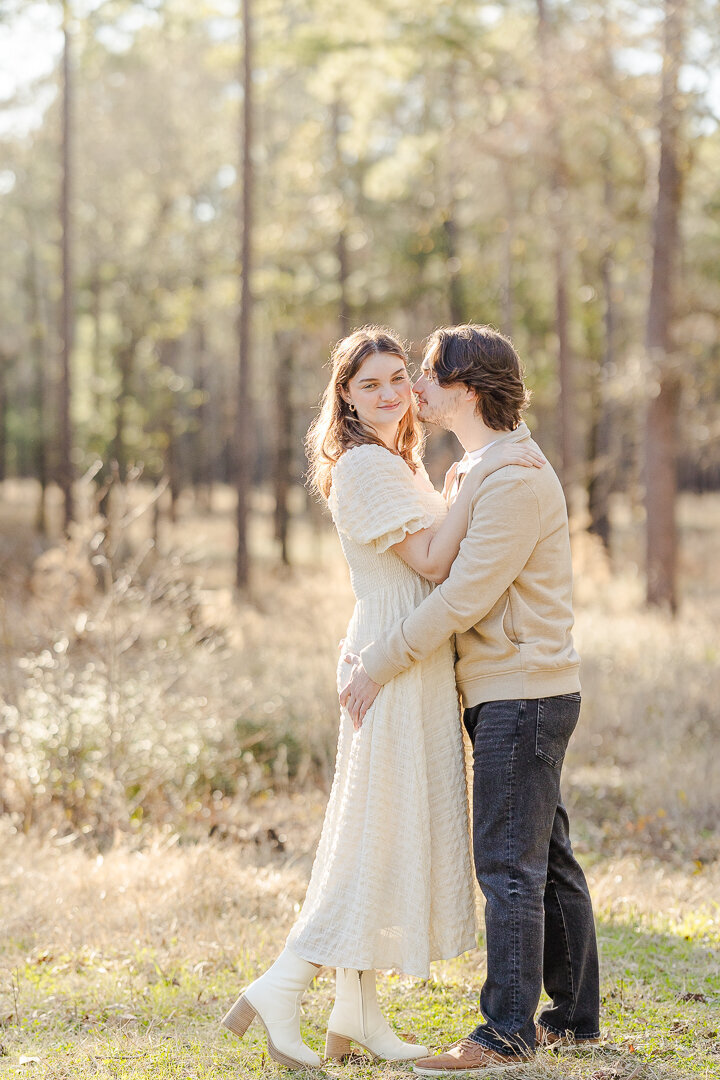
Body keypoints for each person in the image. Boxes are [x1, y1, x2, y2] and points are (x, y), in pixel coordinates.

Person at [220, 326, 544, 1069]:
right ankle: (283, 981)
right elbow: (431, 560)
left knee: (385, 830)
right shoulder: (366, 465)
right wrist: (479, 479)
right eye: (371, 384)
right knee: (376, 835)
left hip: (407, 653)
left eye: (400, 378)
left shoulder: (399, 462)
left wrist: (463, 480)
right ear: (346, 395)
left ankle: (356, 1013)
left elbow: (389, 577)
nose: (392, 394)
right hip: (396, 667)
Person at [341, 324, 601, 1075]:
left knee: (508, 866)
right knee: (544, 858)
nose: (413, 387)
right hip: (516, 690)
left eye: (426, 373)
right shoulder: (482, 466)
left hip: (521, 691)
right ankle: (573, 1020)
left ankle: (506, 1032)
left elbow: (461, 597)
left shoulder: (514, 477)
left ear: (465, 389)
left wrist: (379, 662)